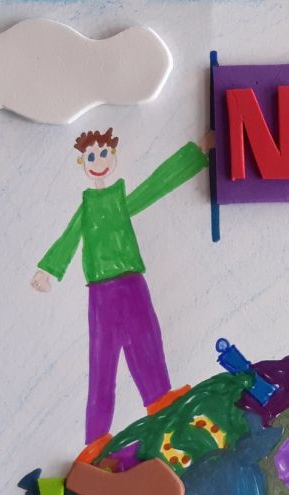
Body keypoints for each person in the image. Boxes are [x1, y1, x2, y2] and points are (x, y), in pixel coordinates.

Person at [32, 127, 214, 461]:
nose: (98, 161)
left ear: (113, 156)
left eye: (103, 154)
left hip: (132, 287)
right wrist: (48, 270)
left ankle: (166, 420)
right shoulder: (86, 207)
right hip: (101, 296)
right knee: (102, 367)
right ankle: (96, 443)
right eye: (91, 156)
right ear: (82, 162)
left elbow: (155, 186)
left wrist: (196, 154)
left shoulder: (119, 199)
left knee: (148, 351)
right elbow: (69, 238)